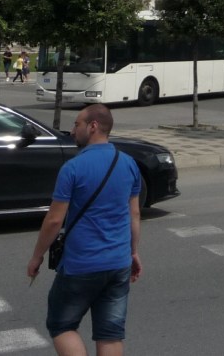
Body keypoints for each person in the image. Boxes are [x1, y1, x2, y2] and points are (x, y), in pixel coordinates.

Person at [27, 104, 142, 356]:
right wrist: (133, 252)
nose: (72, 130)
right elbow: (133, 213)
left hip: (81, 265)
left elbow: (54, 220)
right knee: (110, 334)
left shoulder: (73, 168)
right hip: (118, 263)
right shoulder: (129, 164)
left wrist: (37, 256)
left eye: (77, 124)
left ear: (93, 127)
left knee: (62, 325)